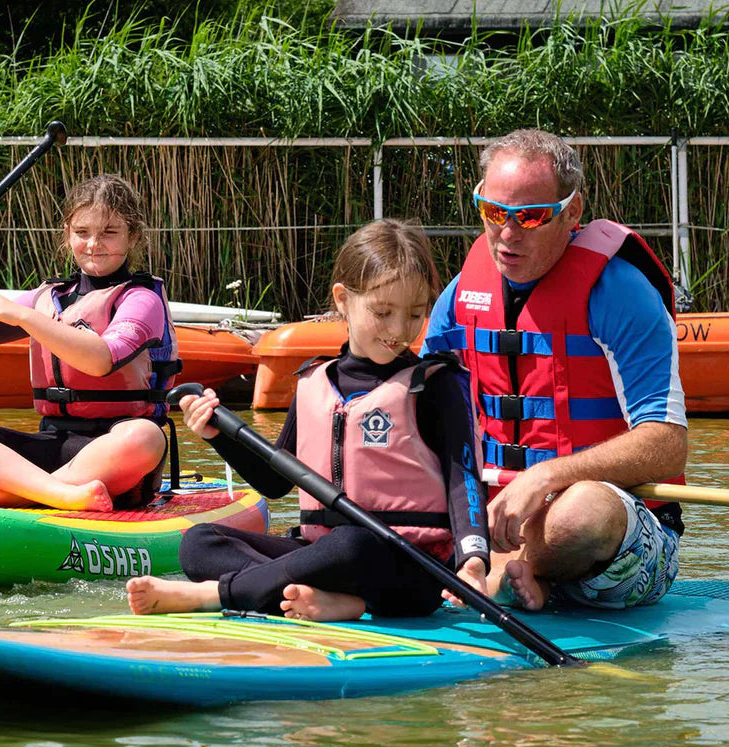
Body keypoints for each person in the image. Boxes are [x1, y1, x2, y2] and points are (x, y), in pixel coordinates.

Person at [126, 219, 490, 622]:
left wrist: (474, 558)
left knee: (352, 544)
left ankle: (219, 594)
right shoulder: (315, 380)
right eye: (383, 312)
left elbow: (465, 481)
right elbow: (276, 481)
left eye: (414, 314)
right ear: (342, 299)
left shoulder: (434, 386)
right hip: (322, 558)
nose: (399, 330)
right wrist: (217, 434)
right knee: (199, 541)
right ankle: (325, 600)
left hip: (409, 568)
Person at [422, 129, 687, 612]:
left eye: (530, 217)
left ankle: (509, 571)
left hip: (609, 542)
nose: (507, 233)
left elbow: (667, 445)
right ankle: (519, 576)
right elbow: (414, 406)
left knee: (582, 510)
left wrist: (543, 478)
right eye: (493, 212)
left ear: (572, 211)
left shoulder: (622, 294)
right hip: (485, 528)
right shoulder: (463, 294)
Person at [0, 174, 180, 511]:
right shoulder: (52, 297)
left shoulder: (141, 299)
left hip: (114, 453)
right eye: (82, 233)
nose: (93, 244)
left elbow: (101, 360)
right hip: (53, 444)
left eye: (109, 233)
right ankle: (57, 493)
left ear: (133, 237)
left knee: (146, 437)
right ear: (67, 236)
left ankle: (24, 493)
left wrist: (24, 317)